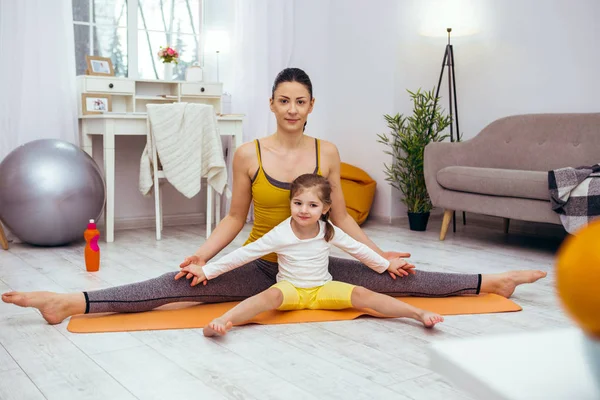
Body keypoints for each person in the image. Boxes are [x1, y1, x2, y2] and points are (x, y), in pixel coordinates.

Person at [1, 67, 546, 325]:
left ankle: (489, 281)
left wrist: (380, 256)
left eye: (301, 100)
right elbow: (235, 218)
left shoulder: (325, 152)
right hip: (263, 264)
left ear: (311, 105)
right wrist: (203, 258)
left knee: (398, 278)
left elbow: (344, 221)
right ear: (272, 103)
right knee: (176, 287)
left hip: (315, 263)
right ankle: (73, 302)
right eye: (283, 99)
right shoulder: (248, 154)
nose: (292, 108)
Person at [179, 174, 444, 336]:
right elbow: (245, 254)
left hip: (322, 289)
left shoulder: (328, 230)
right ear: (291, 203)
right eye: (298, 203)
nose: (304, 210)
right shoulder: (280, 233)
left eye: (313, 205)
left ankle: (417, 314)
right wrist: (207, 270)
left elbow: (358, 250)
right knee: (267, 296)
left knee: (364, 295)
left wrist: (386, 263)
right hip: (290, 290)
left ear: (325, 209)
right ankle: (223, 322)